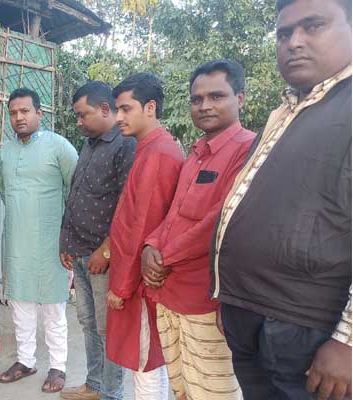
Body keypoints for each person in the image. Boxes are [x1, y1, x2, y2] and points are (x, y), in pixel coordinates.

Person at [210, 1, 352, 399]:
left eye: (314, 26)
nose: (295, 42)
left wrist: (348, 341)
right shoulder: (286, 111)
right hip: (251, 313)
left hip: (307, 327)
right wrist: (231, 295)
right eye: (284, 33)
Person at [142, 59, 254, 400]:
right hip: (168, 293)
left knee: (214, 392)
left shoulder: (248, 149)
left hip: (206, 300)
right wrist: (150, 246)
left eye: (217, 96)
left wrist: (163, 257)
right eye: (196, 99)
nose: (205, 106)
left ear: (241, 98)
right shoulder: (195, 155)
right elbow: (174, 213)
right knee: (182, 390)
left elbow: (221, 221)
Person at [105, 73, 183, 399]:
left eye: (126, 108)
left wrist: (121, 287)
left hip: (140, 284)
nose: (119, 117)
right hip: (139, 279)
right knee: (149, 363)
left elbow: (143, 229)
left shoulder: (159, 154)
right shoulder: (149, 150)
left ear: (149, 107)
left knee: (144, 365)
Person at [0, 88, 78, 393]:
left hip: (51, 243)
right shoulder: (4, 152)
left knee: (54, 309)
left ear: (39, 113)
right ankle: (25, 360)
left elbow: (76, 191)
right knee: (20, 306)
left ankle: (58, 367)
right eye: (14, 113)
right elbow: (5, 193)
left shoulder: (60, 147)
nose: (19, 117)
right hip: (17, 243)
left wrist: (68, 236)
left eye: (25, 111)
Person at [59, 81, 135, 400]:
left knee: (108, 329)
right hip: (78, 250)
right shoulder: (90, 143)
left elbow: (127, 203)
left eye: (82, 115)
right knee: (88, 324)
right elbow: (75, 192)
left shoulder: (125, 144)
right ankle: (94, 384)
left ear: (105, 109)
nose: (78, 121)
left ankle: (112, 393)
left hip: (103, 256)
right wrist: (65, 239)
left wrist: (106, 249)